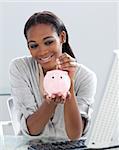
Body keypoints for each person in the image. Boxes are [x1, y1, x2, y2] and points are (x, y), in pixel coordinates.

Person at [9, 11, 97, 142]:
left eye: (48, 42)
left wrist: (69, 84)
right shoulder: (20, 68)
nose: (42, 51)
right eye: (34, 46)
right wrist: (50, 103)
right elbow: (32, 130)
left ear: (62, 37)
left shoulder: (86, 77)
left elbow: (74, 135)